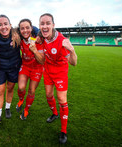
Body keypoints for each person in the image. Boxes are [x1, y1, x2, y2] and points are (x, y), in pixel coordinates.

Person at [39, 13, 77, 144]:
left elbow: (74, 63)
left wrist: (72, 50)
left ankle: (63, 131)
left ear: (53, 25)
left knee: (61, 99)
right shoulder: (40, 36)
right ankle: (55, 113)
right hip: (47, 71)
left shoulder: (61, 41)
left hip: (60, 73)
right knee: (49, 95)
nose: (45, 26)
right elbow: (27, 33)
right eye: (42, 23)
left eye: (47, 23)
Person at [0, 15, 22, 125]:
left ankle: (7, 108)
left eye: (5, 24)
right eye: (0, 25)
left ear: (10, 25)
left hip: (14, 67)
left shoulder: (17, 33)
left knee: (10, 88)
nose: (3, 27)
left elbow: (32, 28)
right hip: (0, 68)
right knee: (0, 91)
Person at [15, 19, 45, 120]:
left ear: (31, 28)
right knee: (21, 88)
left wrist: (35, 50)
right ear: (20, 30)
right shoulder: (19, 39)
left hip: (37, 68)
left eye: (27, 27)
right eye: (22, 28)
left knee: (31, 91)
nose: (25, 30)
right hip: (25, 66)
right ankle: (21, 100)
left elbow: (42, 61)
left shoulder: (38, 39)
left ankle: (26, 110)